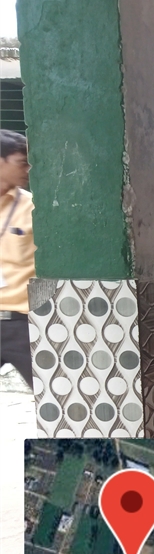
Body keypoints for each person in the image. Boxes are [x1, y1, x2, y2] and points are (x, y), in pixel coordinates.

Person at [0, 130, 34, 388]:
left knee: (54, 396)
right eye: (21, 162)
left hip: (24, 325)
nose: (27, 169)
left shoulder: (33, 208)